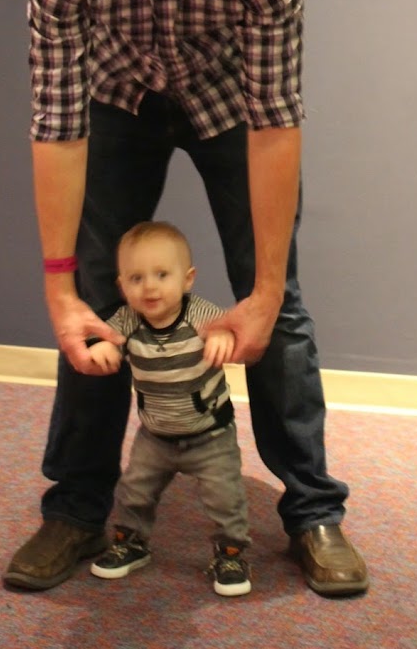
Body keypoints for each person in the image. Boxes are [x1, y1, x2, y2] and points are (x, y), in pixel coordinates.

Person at [3, 0, 369, 596]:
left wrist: (264, 289)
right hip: (117, 94)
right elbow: (56, 122)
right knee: (94, 301)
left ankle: (312, 511)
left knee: (277, 306)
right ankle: (75, 508)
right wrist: (57, 288)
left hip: (232, 99)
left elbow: (275, 119)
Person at [86, 220, 251, 597]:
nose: (150, 287)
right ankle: (131, 543)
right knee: (134, 491)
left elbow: (227, 328)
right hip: (155, 436)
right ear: (122, 286)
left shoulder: (200, 315)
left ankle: (231, 554)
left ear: (187, 279)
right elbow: (106, 337)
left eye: (162, 275)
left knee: (225, 498)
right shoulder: (128, 319)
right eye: (136, 278)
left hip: (210, 436)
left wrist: (223, 336)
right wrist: (104, 346)